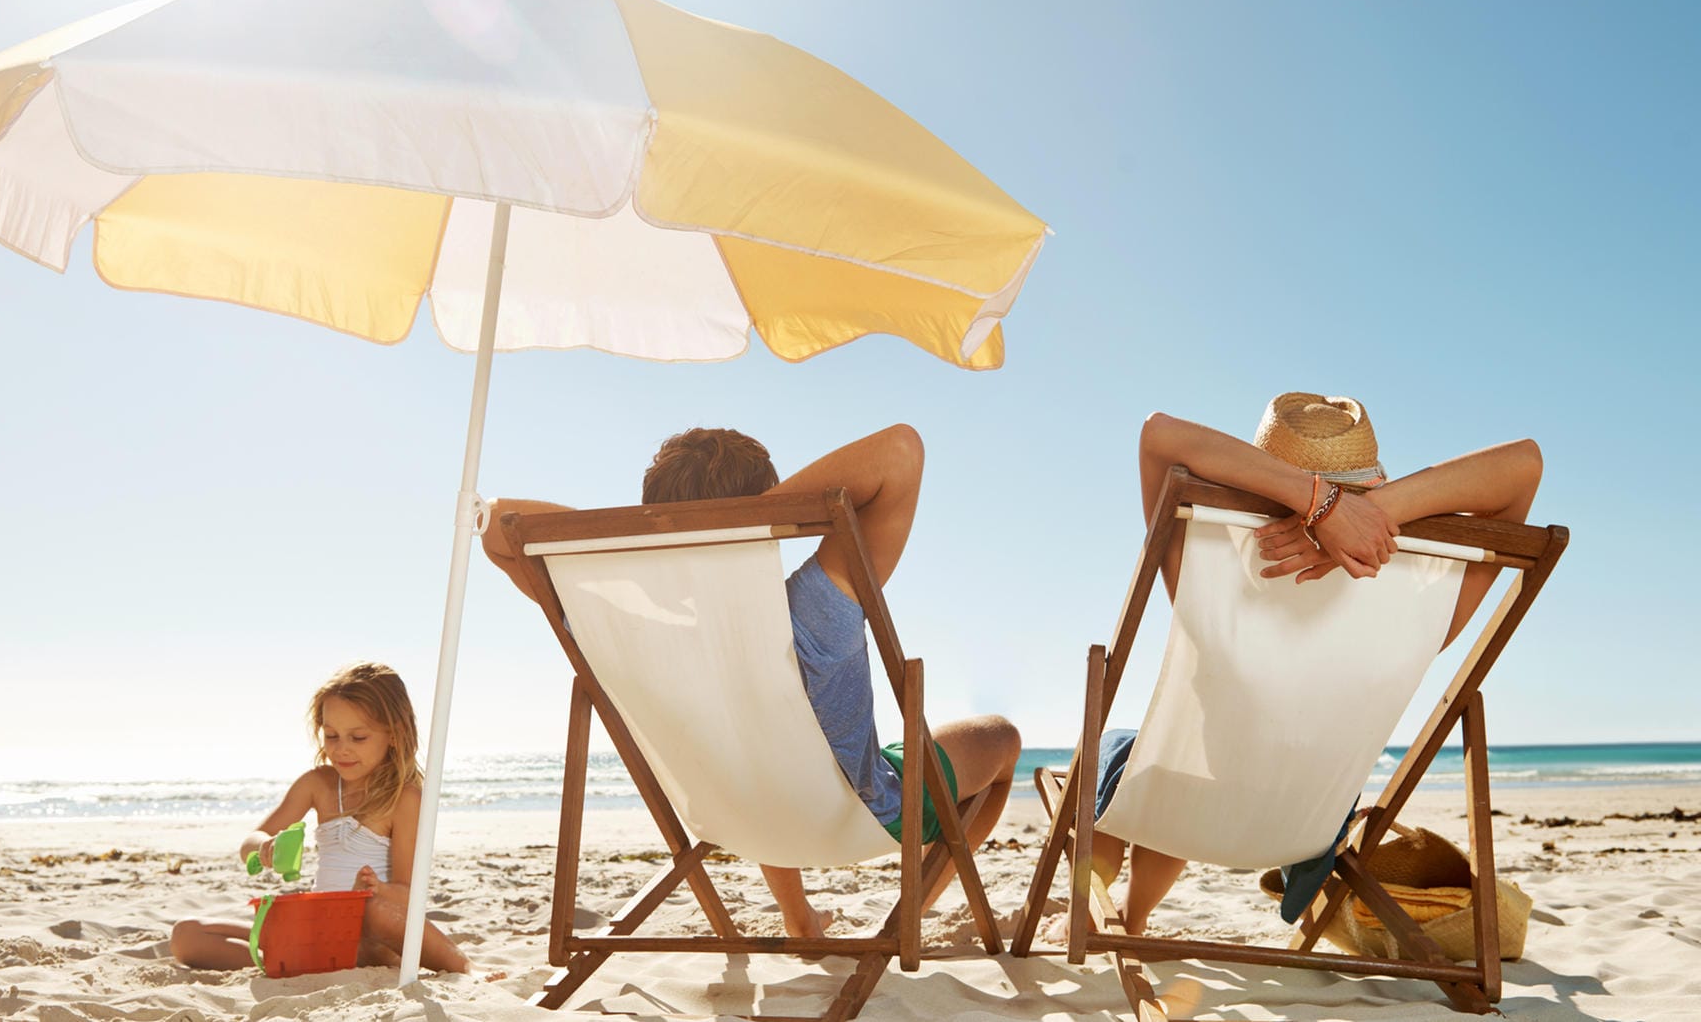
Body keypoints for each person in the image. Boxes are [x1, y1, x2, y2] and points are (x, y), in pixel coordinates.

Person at [480, 424, 1021, 938]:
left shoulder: (616, 626)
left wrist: (658, 540)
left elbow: (498, 526)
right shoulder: (815, 609)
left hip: (731, 815)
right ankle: (907, 918)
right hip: (862, 814)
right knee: (1001, 738)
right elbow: (900, 452)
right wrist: (756, 519)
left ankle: (799, 919)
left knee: (750, 743)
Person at [1091, 392, 1543, 936]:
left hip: (1182, 812)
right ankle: (1131, 913)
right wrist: (1370, 512)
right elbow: (1525, 466)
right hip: (1304, 830)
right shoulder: (1426, 607)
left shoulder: (1209, 572)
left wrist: (1320, 504)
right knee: (1194, 771)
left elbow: (1159, 435)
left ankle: (1126, 914)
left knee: (1134, 753)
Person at [168, 662, 470, 973]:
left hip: (372, 937)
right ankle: (299, 962)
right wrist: (263, 847)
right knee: (186, 935)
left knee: (373, 908)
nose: (342, 749)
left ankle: (465, 967)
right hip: (318, 930)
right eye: (331, 735)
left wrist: (377, 889)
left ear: (394, 735)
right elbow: (248, 845)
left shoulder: (404, 798)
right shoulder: (318, 784)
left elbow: (410, 894)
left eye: (358, 738)